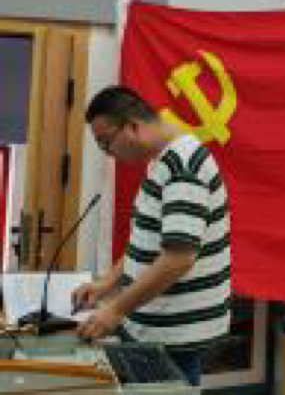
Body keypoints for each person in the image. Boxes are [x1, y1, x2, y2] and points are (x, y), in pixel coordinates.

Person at [74, 86, 231, 387]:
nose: (108, 153)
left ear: (133, 126)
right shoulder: (161, 160)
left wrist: (116, 310)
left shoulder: (183, 165)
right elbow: (146, 242)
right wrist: (106, 283)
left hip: (176, 332)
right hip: (157, 325)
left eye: (106, 142)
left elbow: (178, 259)